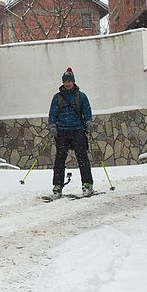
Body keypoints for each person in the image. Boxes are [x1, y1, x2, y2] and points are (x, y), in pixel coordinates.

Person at [48, 67, 94, 196]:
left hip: (78, 131)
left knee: (82, 158)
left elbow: (87, 111)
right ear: (63, 82)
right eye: (65, 81)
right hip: (61, 132)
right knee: (59, 160)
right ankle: (57, 185)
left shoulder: (81, 97)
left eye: (69, 81)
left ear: (73, 82)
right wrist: (52, 125)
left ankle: (87, 184)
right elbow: (53, 113)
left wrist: (89, 122)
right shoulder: (57, 98)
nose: (67, 84)